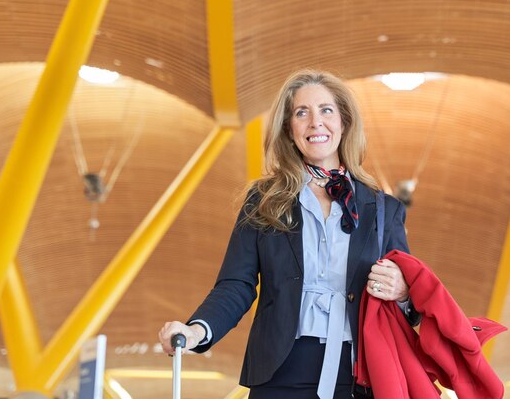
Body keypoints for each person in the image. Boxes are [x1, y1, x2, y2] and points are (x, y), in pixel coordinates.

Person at [158, 69, 420, 399]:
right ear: (288, 129)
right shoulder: (264, 202)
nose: (315, 123)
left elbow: (411, 301)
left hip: (359, 374)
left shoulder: (383, 209)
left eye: (326, 110)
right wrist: (197, 330)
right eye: (301, 112)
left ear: (344, 122)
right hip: (280, 372)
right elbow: (236, 285)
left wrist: (403, 292)